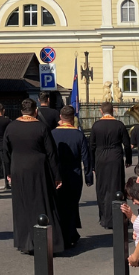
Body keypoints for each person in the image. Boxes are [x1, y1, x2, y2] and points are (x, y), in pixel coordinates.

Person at [3, 98, 63, 253]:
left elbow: (5, 152)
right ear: (36, 111)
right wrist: (57, 175)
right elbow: (51, 153)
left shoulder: (11, 127)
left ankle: (24, 242)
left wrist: (8, 172)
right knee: (41, 203)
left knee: (21, 204)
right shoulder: (41, 127)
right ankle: (46, 242)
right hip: (38, 169)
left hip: (18, 169)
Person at [51, 106, 92, 249]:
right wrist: (88, 176)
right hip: (74, 175)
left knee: (59, 205)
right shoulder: (78, 135)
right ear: (72, 117)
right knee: (72, 205)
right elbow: (86, 157)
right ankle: (71, 234)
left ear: (61, 117)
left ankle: (62, 235)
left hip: (57, 175)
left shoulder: (53, 133)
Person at [90, 101, 132, 229]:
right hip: (116, 158)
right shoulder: (119, 125)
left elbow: (91, 146)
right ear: (113, 111)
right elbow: (127, 144)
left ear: (101, 111)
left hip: (100, 159)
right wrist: (128, 159)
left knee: (102, 188)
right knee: (116, 186)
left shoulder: (96, 126)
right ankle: (117, 217)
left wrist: (92, 165)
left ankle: (104, 218)